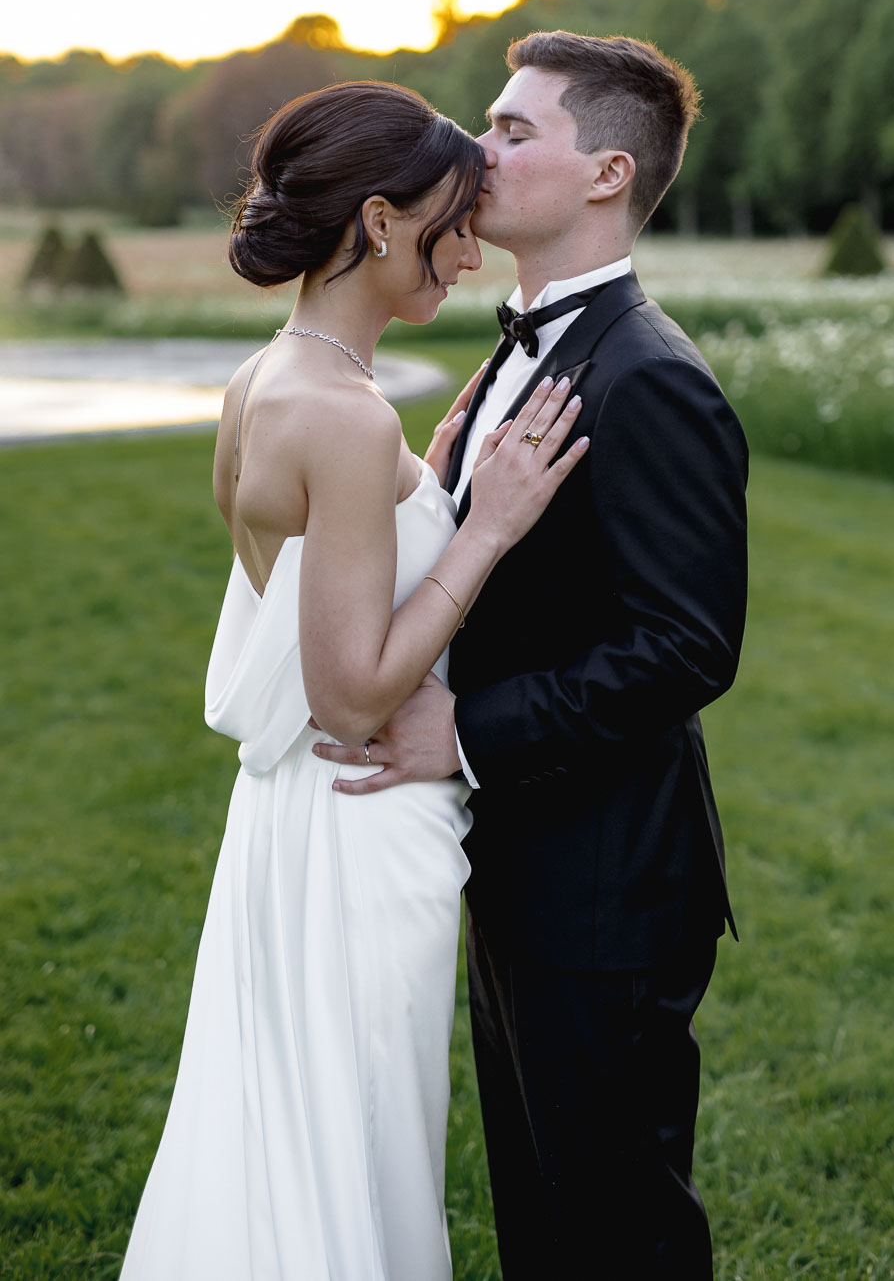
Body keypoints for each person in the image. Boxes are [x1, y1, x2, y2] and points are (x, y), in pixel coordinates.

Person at [118, 80, 589, 1281]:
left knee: (291, 1128)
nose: (470, 249)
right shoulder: (341, 416)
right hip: (356, 828)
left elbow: (310, 582)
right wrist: (483, 530)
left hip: (286, 824)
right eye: (449, 220)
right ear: (379, 223)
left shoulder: (267, 380)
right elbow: (352, 696)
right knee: (361, 1139)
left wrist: (424, 490)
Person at [313, 33, 750, 1279]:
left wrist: (466, 729)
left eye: (513, 131)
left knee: (613, 1225)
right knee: (541, 1210)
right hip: (521, 853)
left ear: (608, 172)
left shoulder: (649, 378)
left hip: (605, 880)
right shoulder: (528, 348)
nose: (477, 147)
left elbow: (685, 645)